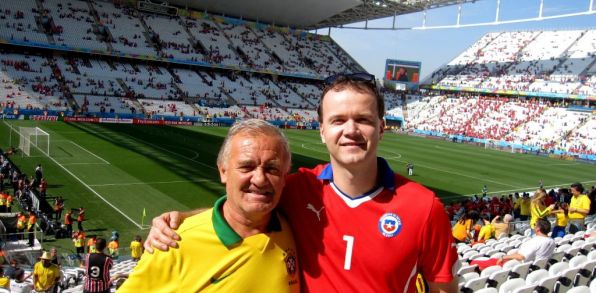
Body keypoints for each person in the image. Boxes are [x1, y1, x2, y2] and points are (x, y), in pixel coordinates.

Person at [146, 73, 458, 292]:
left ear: (381, 127)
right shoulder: (297, 189)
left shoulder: (423, 207)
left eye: (362, 119)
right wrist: (181, 220)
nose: (350, 129)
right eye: (338, 120)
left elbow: (442, 288)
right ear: (321, 130)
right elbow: (242, 210)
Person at [118, 119, 299, 292]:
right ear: (223, 171)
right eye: (246, 167)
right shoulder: (173, 244)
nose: (260, 179)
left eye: (272, 169)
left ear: (284, 177)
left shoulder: (296, 224)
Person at [472, 218, 555, 271]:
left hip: (519, 266)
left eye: (534, 225)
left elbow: (521, 256)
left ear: (538, 229)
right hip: (536, 266)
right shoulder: (551, 241)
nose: (533, 226)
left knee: (475, 262)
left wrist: (503, 257)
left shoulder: (535, 241)